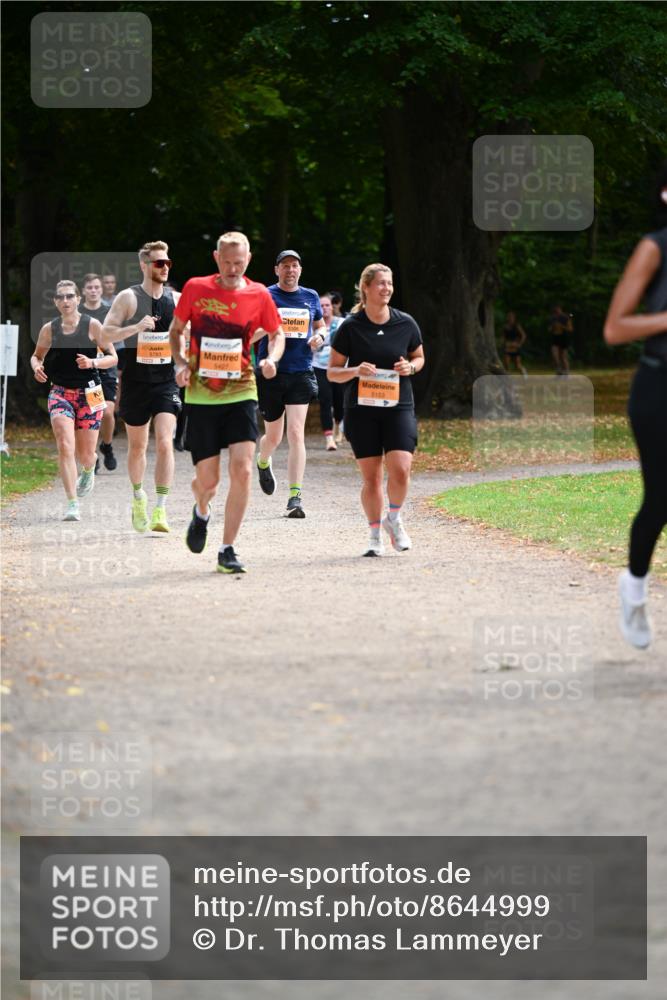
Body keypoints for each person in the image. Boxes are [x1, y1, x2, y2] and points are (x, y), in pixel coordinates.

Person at [168, 231, 284, 574]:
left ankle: (227, 548)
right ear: (216, 258)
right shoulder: (195, 288)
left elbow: (276, 333)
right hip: (202, 395)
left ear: (248, 259)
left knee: (243, 469)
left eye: (240, 262)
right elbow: (176, 331)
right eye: (227, 262)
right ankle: (201, 511)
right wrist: (179, 363)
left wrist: (272, 359)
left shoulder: (259, 293)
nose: (234, 268)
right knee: (208, 482)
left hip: (242, 390)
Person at [604, 161, 667, 650]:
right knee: (661, 499)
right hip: (657, 387)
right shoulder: (654, 247)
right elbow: (616, 328)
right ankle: (635, 586)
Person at [328, 263, 425, 556]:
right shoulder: (351, 327)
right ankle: (374, 537)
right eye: (381, 283)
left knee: (401, 469)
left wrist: (410, 367)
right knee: (371, 478)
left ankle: (393, 519)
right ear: (366, 288)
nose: (387, 288)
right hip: (361, 410)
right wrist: (356, 370)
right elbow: (333, 372)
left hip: (398, 406)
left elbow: (419, 358)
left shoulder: (405, 323)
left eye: (390, 283)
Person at [101, 241, 181, 534]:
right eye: (159, 263)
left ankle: (160, 507)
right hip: (135, 382)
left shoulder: (176, 299)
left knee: (164, 441)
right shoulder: (128, 298)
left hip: (165, 382)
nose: (165, 267)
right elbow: (105, 333)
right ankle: (138, 497)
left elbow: (193, 329)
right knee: (138, 447)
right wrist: (135, 328)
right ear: (144, 265)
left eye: (168, 263)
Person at [30, 280, 117, 520]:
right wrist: (36, 367)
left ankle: (89, 468)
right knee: (65, 445)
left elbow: (112, 356)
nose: (66, 301)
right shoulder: (50, 329)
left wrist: (92, 363)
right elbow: (36, 356)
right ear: (56, 302)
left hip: (90, 393)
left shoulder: (93, 325)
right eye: (61, 297)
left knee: (86, 454)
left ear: (78, 299)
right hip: (60, 392)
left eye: (70, 296)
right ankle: (72, 504)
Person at [254, 250, 325, 517]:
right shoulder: (265, 295)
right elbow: (252, 332)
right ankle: (263, 462)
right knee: (273, 436)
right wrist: (273, 325)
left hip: (301, 371)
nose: (290, 270)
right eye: (285, 266)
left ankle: (295, 497)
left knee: (296, 433)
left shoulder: (311, 296)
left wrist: (320, 337)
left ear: (300, 270)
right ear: (276, 270)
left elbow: (320, 326)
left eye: (294, 266)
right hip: (271, 372)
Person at [79, 273, 118, 472]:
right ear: (84, 291)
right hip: (86, 369)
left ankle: (107, 446)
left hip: (106, 367)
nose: (93, 291)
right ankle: (92, 455)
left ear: (102, 290)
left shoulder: (109, 312)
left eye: (97, 287)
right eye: (90, 288)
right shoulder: (78, 313)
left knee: (109, 412)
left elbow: (116, 340)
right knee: (95, 411)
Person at [312, 293, 345, 450]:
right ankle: (329, 438)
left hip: (338, 368)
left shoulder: (342, 324)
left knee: (339, 401)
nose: (324, 308)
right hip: (319, 366)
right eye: (321, 306)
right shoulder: (312, 326)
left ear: (333, 307)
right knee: (325, 401)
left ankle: (338, 426)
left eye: (327, 305)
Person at [549, 304, 573, 376]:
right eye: (555, 309)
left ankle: (567, 372)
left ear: (560, 309)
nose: (556, 311)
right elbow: (549, 329)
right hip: (555, 338)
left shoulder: (565, 317)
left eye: (557, 309)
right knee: (554, 354)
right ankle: (559, 370)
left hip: (563, 337)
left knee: (563, 356)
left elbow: (570, 329)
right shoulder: (552, 318)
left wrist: (561, 326)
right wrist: (553, 327)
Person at [502, 310, 527, 377]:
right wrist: (504, 344)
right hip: (508, 347)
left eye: (511, 317)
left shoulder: (517, 326)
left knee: (517, 365)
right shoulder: (505, 327)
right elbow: (503, 337)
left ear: (514, 318)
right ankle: (507, 379)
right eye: (509, 317)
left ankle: (524, 373)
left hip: (515, 347)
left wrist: (519, 344)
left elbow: (523, 335)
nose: (510, 318)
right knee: (506, 364)